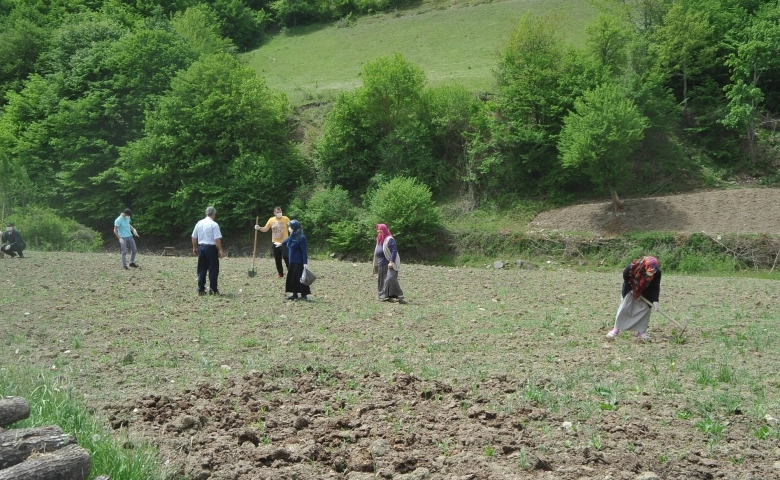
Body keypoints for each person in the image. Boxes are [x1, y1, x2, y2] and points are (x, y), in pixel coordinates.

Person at [607, 256, 662, 340]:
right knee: (624, 308)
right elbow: (626, 278)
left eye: (654, 271)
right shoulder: (632, 267)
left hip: (646, 291)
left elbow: (655, 286)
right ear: (645, 266)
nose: (652, 272)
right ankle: (616, 329)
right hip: (630, 288)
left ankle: (641, 332)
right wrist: (632, 289)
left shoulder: (657, 273)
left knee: (644, 310)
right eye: (650, 270)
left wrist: (655, 300)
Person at [191, 206, 225, 296]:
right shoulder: (214, 224)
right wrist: (220, 250)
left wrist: (195, 247)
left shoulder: (199, 223)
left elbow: (194, 237)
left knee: (201, 269)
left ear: (206, 213)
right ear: (214, 214)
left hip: (201, 248)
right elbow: (217, 239)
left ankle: (201, 289)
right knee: (213, 269)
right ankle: (213, 289)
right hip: (211, 248)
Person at [372, 224, 405, 303]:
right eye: (377, 229)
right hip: (381, 263)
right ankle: (384, 296)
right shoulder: (379, 239)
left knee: (390, 278)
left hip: (389, 263)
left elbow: (394, 251)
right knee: (382, 281)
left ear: (385, 230)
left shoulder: (389, 239)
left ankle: (398, 295)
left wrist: (391, 262)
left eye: (380, 229)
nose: (378, 231)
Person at [255, 206, 290, 278]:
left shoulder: (286, 219)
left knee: (286, 257)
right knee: (277, 259)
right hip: (275, 242)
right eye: (277, 212)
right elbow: (265, 229)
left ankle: (291, 272)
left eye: (280, 212)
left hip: (285, 242)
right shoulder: (271, 220)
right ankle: (280, 273)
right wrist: (259, 228)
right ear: (274, 213)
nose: (279, 213)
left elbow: (291, 227)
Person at [281, 219, 310, 301]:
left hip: (299, 262)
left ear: (294, 227)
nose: (289, 228)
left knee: (300, 278)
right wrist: (280, 243)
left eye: (290, 226)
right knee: (292, 278)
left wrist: (305, 263)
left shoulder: (302, 238)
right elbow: (285, 241)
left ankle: (304, 295)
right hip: (292, 261)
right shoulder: (292, 236)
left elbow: (304, 251)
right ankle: (294, 294)